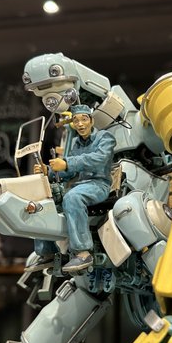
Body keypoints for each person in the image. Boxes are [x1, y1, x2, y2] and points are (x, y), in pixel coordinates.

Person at [30, 104, 116, 273]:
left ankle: (83, 253)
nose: (80, 124)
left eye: (84, 119)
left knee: (72, 197)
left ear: (91, 121)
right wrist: (48, 170)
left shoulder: (105, 138)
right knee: (44, 198)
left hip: (98, 185)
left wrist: (67, 163)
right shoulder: (76, 144)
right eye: (76, 121)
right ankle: (47, 252)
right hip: (80, 186)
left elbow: (99, 159)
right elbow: (69, 172)